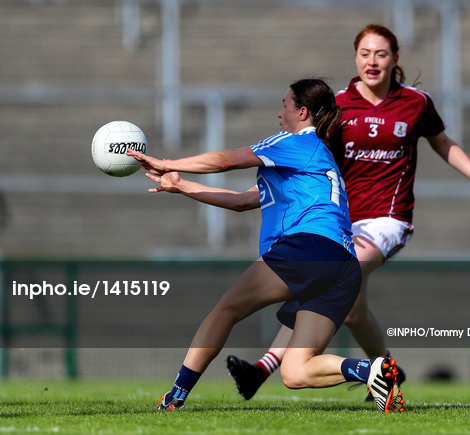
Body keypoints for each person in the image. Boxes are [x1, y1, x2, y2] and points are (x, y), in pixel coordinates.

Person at [226, 24, 470, 401]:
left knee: (325, 276)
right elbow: (310, 162)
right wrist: (261, 193)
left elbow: (443, 143)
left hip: (387, 220)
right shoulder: (337, 107)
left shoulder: (416, 102)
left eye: (381, 54)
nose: (372, 61)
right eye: (365, 53)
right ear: (355, 57)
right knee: (353, 312)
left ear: (395, 59)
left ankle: (262, 368)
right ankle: (387, 375)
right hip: (340, 220)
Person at [127, 78, 405, 413]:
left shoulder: (295, 141)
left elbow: (224, 160)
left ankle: (175, 397)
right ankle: (371, 369)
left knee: (228, 309)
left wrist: (167, 163)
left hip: (309, 248)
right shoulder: (314, 158)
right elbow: (245, 201)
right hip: (343, 265)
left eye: (285, 104)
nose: (279, 112)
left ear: (302, 112)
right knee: (295, 371)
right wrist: (182, 185)